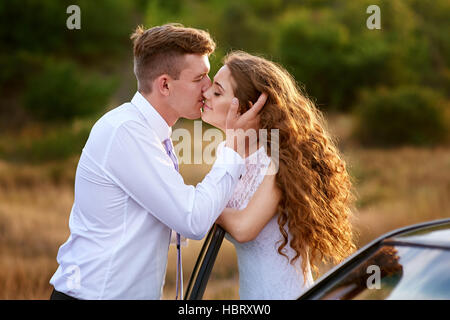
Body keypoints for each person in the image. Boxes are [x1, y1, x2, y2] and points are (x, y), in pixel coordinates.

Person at [49, 25, 266, 300]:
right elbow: (192, 220)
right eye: (199, 77)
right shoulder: (125, 132)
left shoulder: (151, 133)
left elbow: (164, 223)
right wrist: (232, 148)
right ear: (164, 85)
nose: (208, 86)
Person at [201, 51, 357, 299]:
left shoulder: (279, 159)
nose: (205, 93)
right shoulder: (228, 152)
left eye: (217, 92)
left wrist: (203, 207)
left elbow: (243, 228)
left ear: (249, 108)